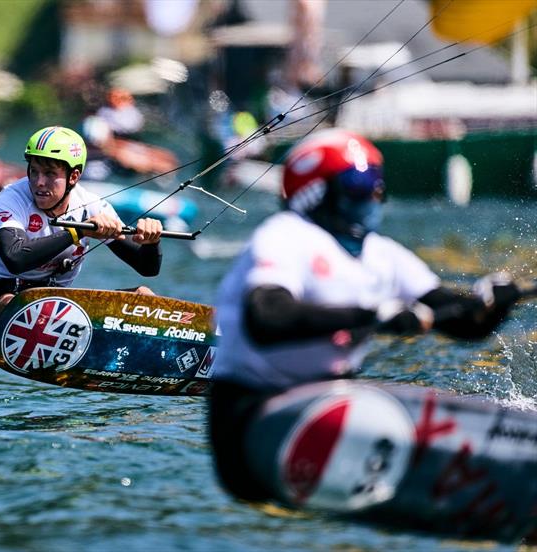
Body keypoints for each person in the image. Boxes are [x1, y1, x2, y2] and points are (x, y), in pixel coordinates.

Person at [207, 128, 523, 501]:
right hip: (249, 421)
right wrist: (372, 315)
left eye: (377, 183)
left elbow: (463, 324)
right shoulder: (285, 235)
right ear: (317, 191)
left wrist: (494, 303)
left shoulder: (382, 255)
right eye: (359, 182)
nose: (374, 195)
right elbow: (266, 318)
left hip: (329, 402)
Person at [0, 126, 164, 366]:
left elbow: (146, 267)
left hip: (58, 314)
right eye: (33, 171)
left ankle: (152, 362)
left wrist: (152, 242)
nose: (39, 182)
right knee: (12, 302)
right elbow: (15, 258)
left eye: (49, 173)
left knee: (143, 296)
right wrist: (77, 231)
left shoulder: (91, 205)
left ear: (74, 176)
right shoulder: (11, 199)